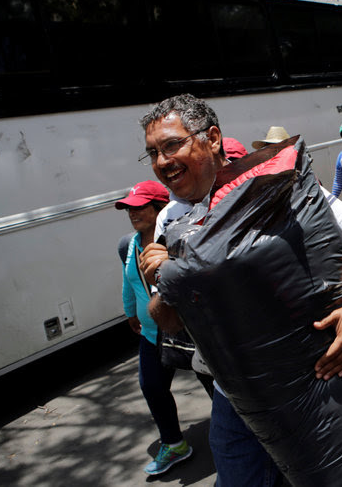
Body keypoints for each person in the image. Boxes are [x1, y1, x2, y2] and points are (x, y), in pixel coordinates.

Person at [135, 94, 342, 486]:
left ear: (212, 138)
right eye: (153, 153)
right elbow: (171, 321)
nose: (162, 161)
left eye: (172, 145)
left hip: (319, 375)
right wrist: (166, 281)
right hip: (237, 398)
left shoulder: (271, 182)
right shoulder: (170, 220)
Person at [116, 181, 195, 475]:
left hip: (187, 331)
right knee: (152, 386)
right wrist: (130, 312)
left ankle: (247, 439)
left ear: (159, 207)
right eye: (128, 208)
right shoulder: (129, 244)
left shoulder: (177, 240)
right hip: (152, 333)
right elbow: (128, 281)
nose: (132, 213)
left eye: (139, 207)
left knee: (216, 388)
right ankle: (174, 445)